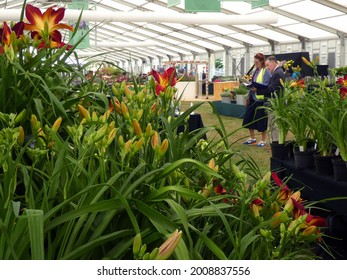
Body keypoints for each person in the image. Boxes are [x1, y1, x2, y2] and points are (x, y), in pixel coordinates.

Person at [251, 55, 285, 143]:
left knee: (274, 125)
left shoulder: (277, 73)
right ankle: (274, 141)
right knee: (272, 124)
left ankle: (276, 142)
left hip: (274, 102)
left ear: (273, 62)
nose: (267, 68)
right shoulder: (276, 72)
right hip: (272, 102)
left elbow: (272, 89)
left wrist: (258, 90)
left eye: (268, 65)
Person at [242, 53, 272, 147]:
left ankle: (263, 140)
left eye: (257, 62)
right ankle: (252, 138)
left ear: (262, 61)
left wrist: (258, 90)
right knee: (249, 118)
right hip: (252, 98)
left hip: (260, 100)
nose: (255, 64)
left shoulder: (266, 71)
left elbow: (268, 86)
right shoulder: (255, 71)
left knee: (261, 120)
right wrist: (248, 96)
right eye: (254, 62)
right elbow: (252, 83)